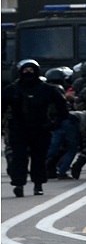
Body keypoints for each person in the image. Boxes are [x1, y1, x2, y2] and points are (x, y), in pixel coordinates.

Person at [1, 59, 67, 197]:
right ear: (20, 72)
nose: (28, 72)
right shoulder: (11, 90)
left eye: (31, 70)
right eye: (25, 70)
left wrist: (54, 124)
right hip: (18, 128)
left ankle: (38, 185)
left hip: (41, 128)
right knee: (19, 157)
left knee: (39, 158)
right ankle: (18, 184)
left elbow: (62, 108)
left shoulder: (48, 89)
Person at [43, 67, 80, 180]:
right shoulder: (58, 90)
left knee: (51, 149)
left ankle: (40, 167)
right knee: (72, 148)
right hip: (65, 122)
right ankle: (62, 171)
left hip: (52, 123)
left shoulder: (42, 90)